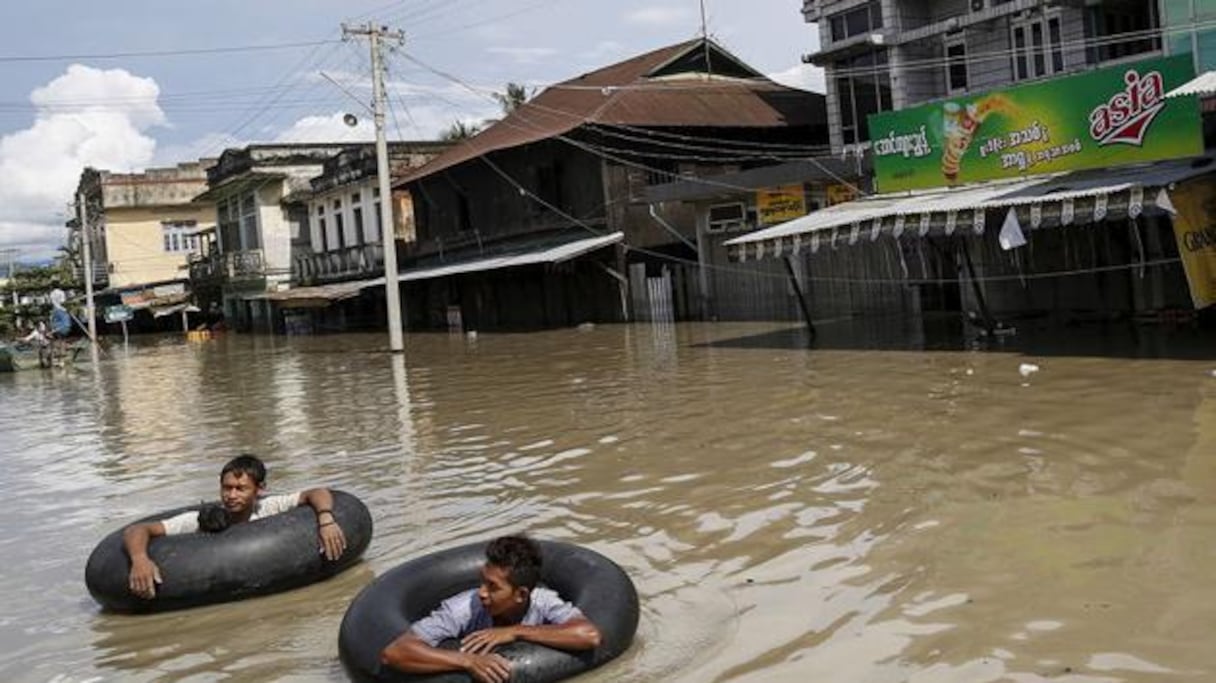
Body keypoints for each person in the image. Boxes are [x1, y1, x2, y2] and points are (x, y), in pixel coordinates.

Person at [379, 535, 602, 683]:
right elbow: (395, 653)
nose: (482, 592)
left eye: (493, 587)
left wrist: (516, 631)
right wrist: (467, 661)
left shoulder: (543, 602)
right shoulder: (464, 608)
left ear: (521, 594)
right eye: (482, 581)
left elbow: (589, 635)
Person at [122, 454, 348, 599]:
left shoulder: (268, 508)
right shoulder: (203, 520)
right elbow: (138, 530)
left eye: (241, 489)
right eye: (227, 488)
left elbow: (316, 492)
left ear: (259, 490)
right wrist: (140, 559)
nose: (231, 495)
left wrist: (326, 518)